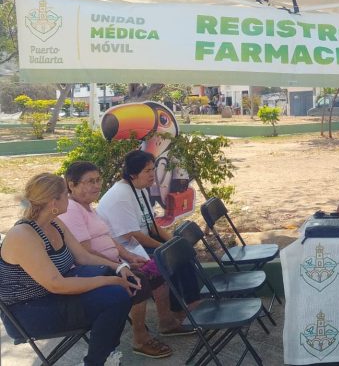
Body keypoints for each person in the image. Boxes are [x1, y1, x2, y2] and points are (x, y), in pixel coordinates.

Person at [0, 173, 137, 366]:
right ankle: (96, 361)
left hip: (53, 295)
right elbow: (57, 285)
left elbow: (84, 257)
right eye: (66, 193)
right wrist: (110, 281)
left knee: (117, 281)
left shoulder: (54, 222)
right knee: (116, 297)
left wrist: (119, 267)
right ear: (53, 201)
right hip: (28, 312)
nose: (70, 196)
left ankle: (105, 352)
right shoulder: (23, 235)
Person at [60, 161, 185, 358]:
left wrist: (129, 256)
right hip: (95, 269)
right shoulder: (72, 210)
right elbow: (85, 253)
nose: (96, 185)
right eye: (90, 181)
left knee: (153, 267)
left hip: (114, 261)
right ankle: (140, 338)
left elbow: (107, 239)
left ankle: (166, 322)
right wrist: (120, 265)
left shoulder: (88, 207)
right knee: (139, 280)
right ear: (71, 185)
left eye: (98, 180)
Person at [97, 150, 201, 325]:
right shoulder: (121, 195)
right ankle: (178, 312)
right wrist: (166, 249)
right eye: (147, 171)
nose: (153, 174)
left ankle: (192, 303)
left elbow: (151, 224)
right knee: (170, 259)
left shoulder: (140, 188)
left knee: (183, 252)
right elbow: (133, 235)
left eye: (153, 169)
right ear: (132, 174)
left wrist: (173, 242)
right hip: (128, 249)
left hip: (140, 242)